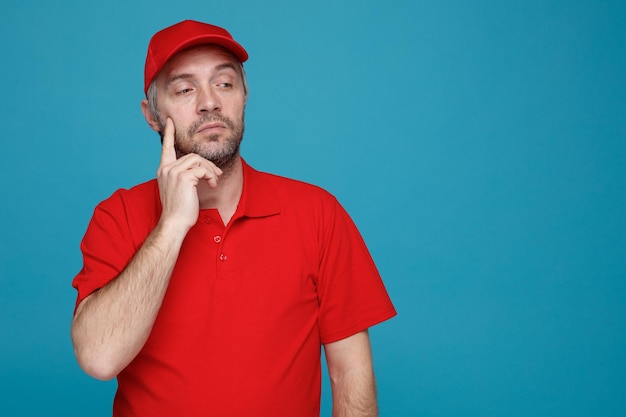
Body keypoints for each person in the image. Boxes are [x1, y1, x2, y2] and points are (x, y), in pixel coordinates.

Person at [71, 20, 396, 417]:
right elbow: (99, 358)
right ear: (152, 116)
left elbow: (350, 376)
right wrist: (172, 225)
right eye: (185, 89)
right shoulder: (117, 216)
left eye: (224, 83)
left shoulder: (318, 214)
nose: (209, 102)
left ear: (244, 96)